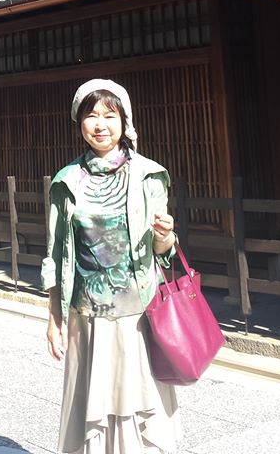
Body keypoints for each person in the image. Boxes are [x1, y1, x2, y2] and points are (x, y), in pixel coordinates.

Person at [41, 78, 182, 454]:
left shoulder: (148, 175)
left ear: (124, 121)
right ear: (79, 123)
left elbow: (163, 252)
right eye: (91, 116)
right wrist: (54, 316)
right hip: (88, 315)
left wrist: (165, 235)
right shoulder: (66, 182)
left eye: (109, 115)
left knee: (139, 400)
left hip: (139, 313)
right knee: (94, 403)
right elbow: (56, 253)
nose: (100, 124)